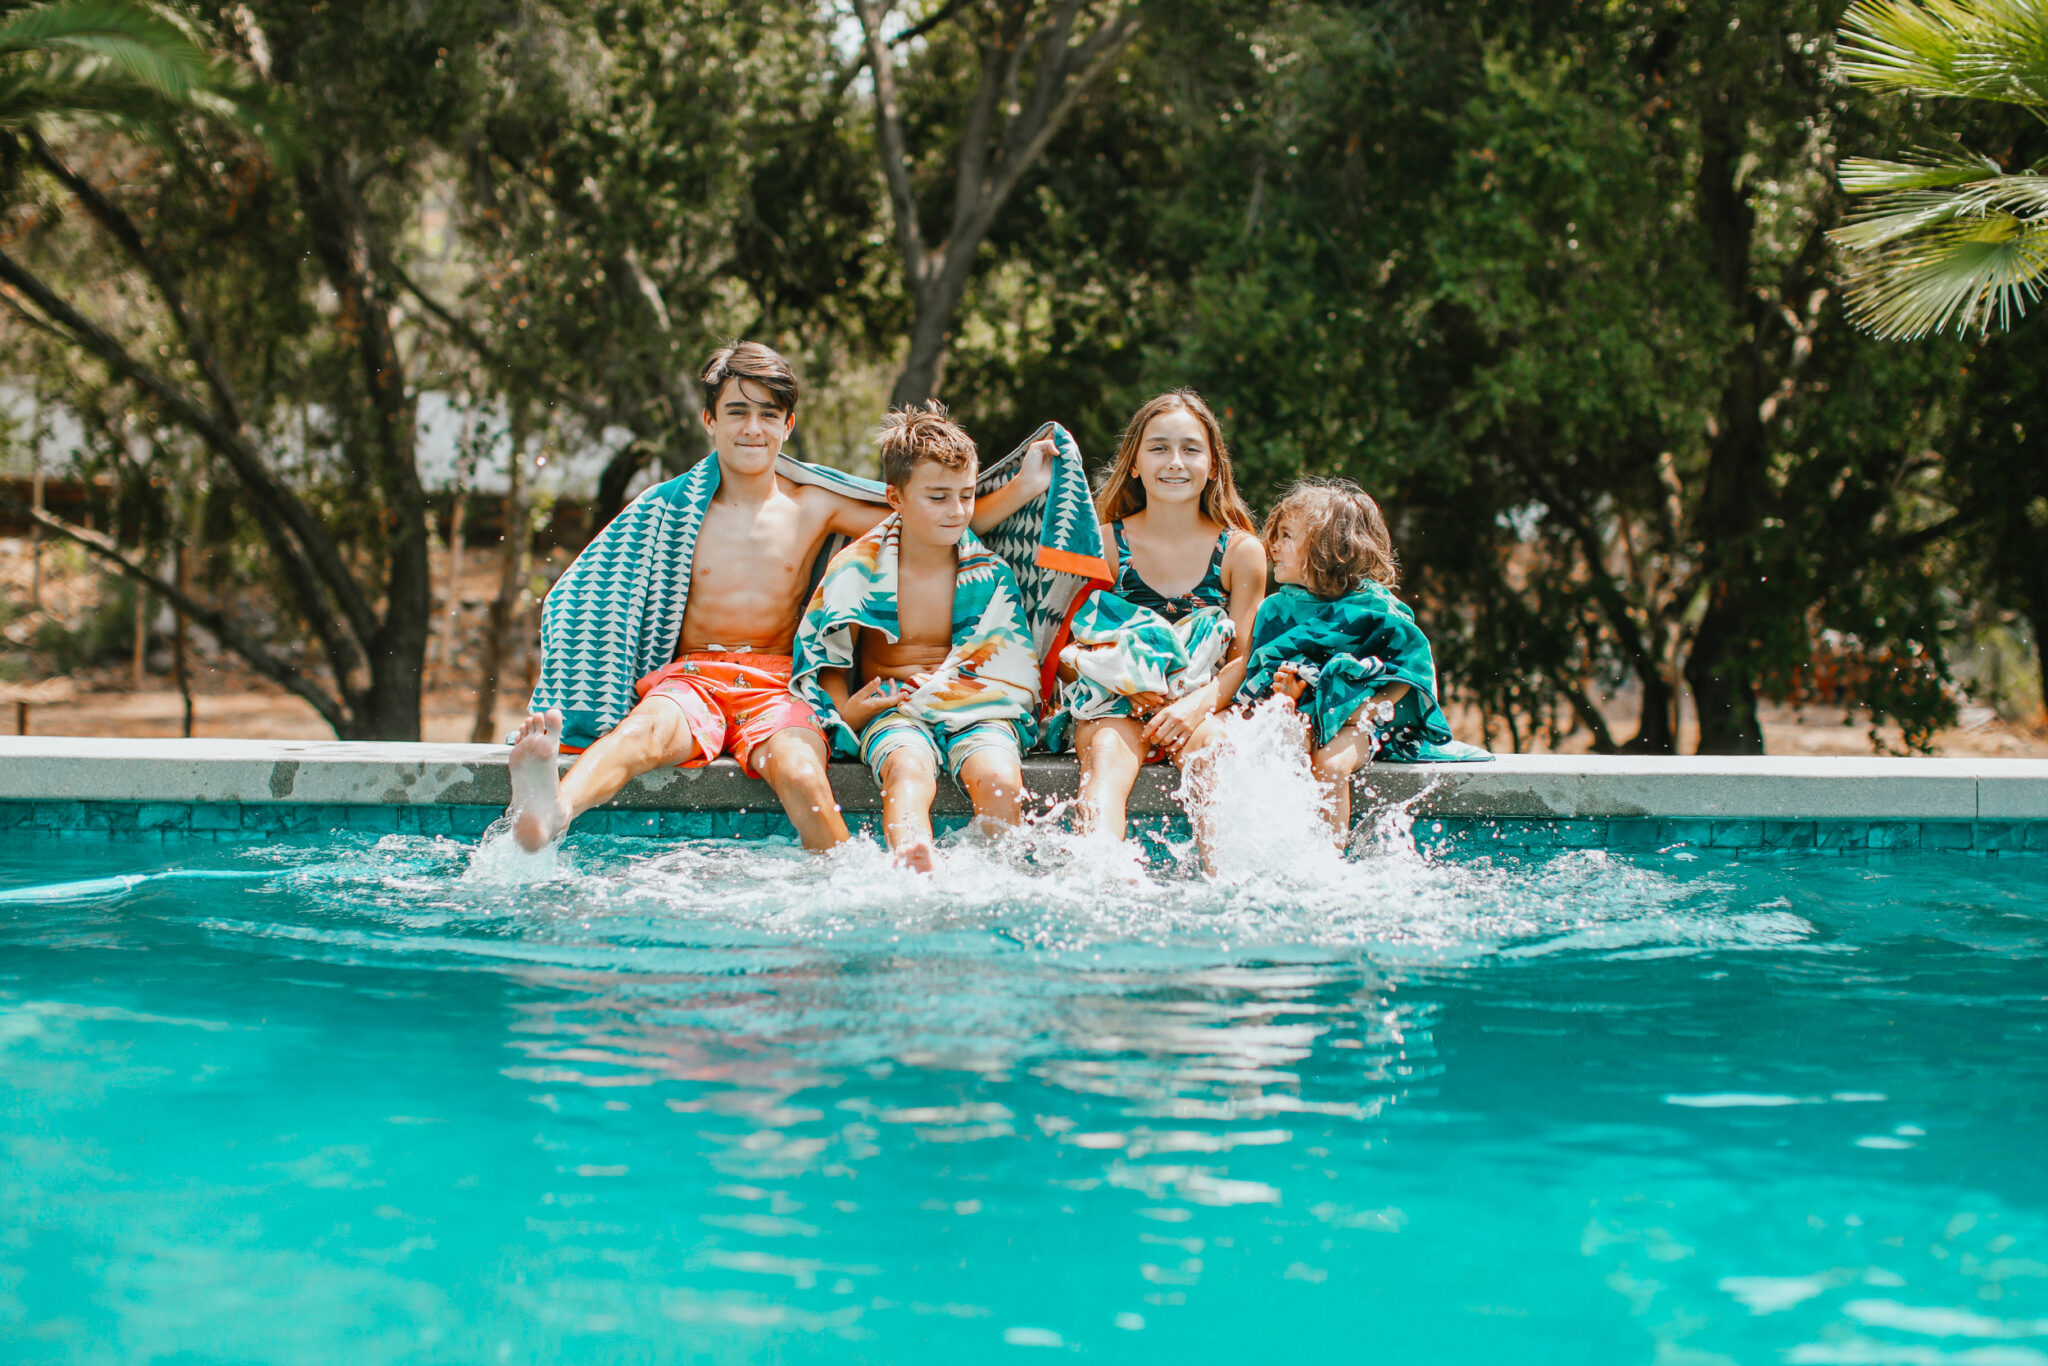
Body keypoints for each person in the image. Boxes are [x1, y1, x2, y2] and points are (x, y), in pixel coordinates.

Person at [505, 342, 1055, 854]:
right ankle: (556, 807)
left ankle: (848, 886)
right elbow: (597, 593)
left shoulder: (814, 504)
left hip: (775, 681)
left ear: (788, 425)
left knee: (799, 772)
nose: (753, 427)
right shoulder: (668, 511)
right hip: (693, 677)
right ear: (709, 420)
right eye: (737, 411)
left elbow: (930, 520)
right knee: (641, 734)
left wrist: (1023, 490)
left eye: (769, 414)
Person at [791, 405, 1043, 872]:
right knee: (907, 769)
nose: (958, 511)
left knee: (1000, 779)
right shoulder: (858, 568)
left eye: (967, 495)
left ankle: (996, 875)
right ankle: (912, 855)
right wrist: (848, 710)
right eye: (938, 496)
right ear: (896, 497)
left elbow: (1010, 663)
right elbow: (826, 653)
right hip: (894, 710)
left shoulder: (988, 573)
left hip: (975, 706)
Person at [1053, 390, 1266, 842]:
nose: (1175, 461)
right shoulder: (1107, 545)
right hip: (1114, 703)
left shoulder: (1240, 552)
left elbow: (1245, 659)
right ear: (1134, 463)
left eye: (1191, 449)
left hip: (1200, 704)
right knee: (1107, 755)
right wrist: (1128, 685)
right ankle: (1102, 878)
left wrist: (1194, 706)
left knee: (1215, 754)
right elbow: (1066, 650)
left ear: (1213, 466)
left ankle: (1223, 888)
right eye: (1158, 448)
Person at [1232, 477, 1489, 844]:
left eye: (1287, 535)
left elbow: (1409, 673)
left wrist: (1363, 711)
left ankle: (1328, 858)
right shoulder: (1276, 610)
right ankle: (1278, 847)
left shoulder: (1376, 608)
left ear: (1330, 548)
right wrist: (1285, 694)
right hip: (1301, 716)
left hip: (1364, 722)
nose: (1272, 545)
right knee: (1285, 749)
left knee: (1331, 764)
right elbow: (1261, 674)